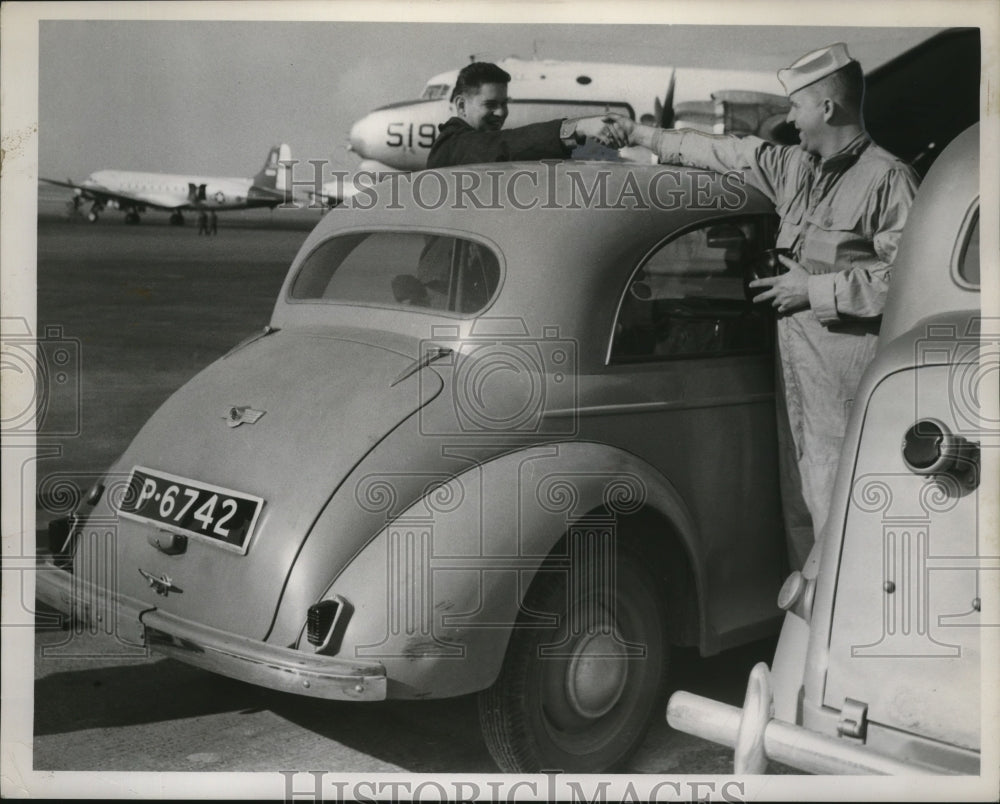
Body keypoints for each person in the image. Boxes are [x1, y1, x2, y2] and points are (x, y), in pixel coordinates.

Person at [611, 44, 920, 568]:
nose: (789, 119)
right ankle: (806, 630)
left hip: (846, 389)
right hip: (795, 383)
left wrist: (815, 291)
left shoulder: (889, 181)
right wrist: (640, 135)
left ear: (827, 108)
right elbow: (725, 152)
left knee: (845, 518)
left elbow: (912, 280)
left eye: (796, 107)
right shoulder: (794, 169)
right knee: (802, 513)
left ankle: (840, 639)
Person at [426, 61, 625, 169]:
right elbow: (505, 144)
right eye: (491, 105)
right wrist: (578, 128)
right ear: (461, 105)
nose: (501, 112)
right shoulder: (453, 145)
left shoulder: (470, 147)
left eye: (504, 103)